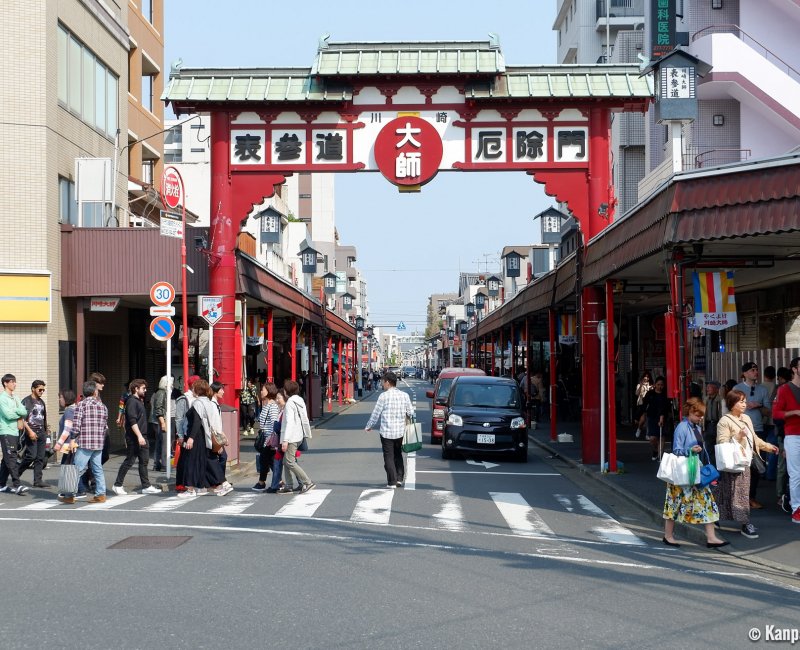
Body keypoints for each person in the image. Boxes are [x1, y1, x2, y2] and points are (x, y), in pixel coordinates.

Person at [662, 398, 728, 549]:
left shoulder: (694, 427)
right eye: (698, 415)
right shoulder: (682, 427)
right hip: (685, 469)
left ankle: (710, 537)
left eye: (701, 415)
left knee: (702, 501)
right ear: (690, 412)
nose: (700, 417)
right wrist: (690, 450)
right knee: (682, 502)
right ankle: (669, 535)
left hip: (693, 469)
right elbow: (676, 450)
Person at [715, 389, 778, 539]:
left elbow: (754, 438)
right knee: (737, 494)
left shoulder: (746, 418)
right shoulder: (725, 421)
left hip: (744, 462)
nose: (744, 404)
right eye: (741, 401)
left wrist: (768, 446)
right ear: (732, 403)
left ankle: (716, 516)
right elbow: (722, 442)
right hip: (732, 463)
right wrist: (738, 436)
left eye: (745, 401)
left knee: (733, 493)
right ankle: (744, 523)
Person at [59, 380, 108, 504]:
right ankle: (100, 494)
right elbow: (104, 426)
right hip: (98, 442)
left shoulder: (81, 405)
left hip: (85, 442)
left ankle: (69, 495)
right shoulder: (103, 406)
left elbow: (76, 425)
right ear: (95, 392)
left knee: (77, 468)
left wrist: (73, 439)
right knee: (97, 469)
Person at [365, 371, 414, 489]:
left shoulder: (383, 396)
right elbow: (411, 412)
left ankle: (392, 481)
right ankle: (399, 479)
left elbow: (376, 413)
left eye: (383, 382)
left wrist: (369, 425)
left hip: (386, 432)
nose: (382, 384)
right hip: (400, 432)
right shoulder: (404, 395)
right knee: (398, 454)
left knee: (388, 456)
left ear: (388, 382)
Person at [734, 362, 773, 509]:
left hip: (758, 430)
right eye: (752, 370)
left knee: (756, 466)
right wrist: (743, 406)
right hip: (740, 431)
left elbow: (769, 412)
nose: (755, 372)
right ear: (744, 373)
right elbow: (731, 409)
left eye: (756, 370)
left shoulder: (762, 390)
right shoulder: (737, 389)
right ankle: (740, 497)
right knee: (741, 465)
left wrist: (759, 406)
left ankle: (752, 498)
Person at [112, 379, 159, 495]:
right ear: (136, 389)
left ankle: (146, 486)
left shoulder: (138, 401)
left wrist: (141, 436)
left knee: (144, 461)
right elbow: (132, 421)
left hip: (142, 436)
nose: (145, 390)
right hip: (135, 437)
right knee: (130, 460)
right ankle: (117, 485)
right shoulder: (131, 401)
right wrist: (139, 436)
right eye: (143, 388)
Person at [771, 357, 800, 524]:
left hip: (793, 435)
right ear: (794, 369)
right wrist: (794, 412)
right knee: (795, 474)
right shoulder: (784, 389)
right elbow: (776, 414)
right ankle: (796, 509)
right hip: (793, 435)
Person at [177, 380, 212, 498]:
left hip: (194, 435)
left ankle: (190, 489)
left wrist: (190, 438)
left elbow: (196, 421)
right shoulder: (207, 401)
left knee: (190, 461)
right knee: (200, 461)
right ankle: (200, 487)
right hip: (202, 435)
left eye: (193, 388)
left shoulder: (197, 403)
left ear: (197, 390)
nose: (192, 390)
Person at [279, 380, 315, 494]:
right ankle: (289, 485)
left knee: (289, 461)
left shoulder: (290, 403)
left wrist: (285, 440)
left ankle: (307, 482)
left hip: (291, 437)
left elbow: (289, 422)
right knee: (286, 461)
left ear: (286, 391)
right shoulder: (300, 400)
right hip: (299, 434)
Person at [0, 374, 30, 495]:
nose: (14, 384)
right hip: (6, 431)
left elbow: (25, 411)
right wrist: (19, 413)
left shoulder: (16, 397)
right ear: (5, 383)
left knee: (6, 459)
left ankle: (1, 484)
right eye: (12, 382)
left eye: (15, 382)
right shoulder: (2, 398)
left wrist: (18, 411)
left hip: (15, 432)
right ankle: (17, 484)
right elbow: (8, 415)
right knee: (11, 458)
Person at [18, 379, 49, 488]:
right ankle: (16, 474)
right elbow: (21, 418)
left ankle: (38, 481)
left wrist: (45, 430)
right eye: (40, 389)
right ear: (33, 389)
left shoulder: (41, 402)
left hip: (41, 432)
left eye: (43, 390)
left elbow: (43, 417)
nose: (42, 392)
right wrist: (30, 431)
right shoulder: (26, 401)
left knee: (40, 457)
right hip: (30, 432)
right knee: (31, 455)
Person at [174, 375, 201, 492]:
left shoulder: (199, 397)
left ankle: (193, 481)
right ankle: (180, 482)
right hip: (186, 432)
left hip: (197, 432)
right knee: (184, 458)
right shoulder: (183, 398)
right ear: (193, 385)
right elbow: (179, 418)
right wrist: (180, 435)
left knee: (194, 458)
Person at [252, 382, 279, 492]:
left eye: (263, 389)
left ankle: (262, 482)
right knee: (269, 461)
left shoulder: (272, 406)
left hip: (269, 439)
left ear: (269, 391)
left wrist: (272, 440)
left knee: (264, 460)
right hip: (266, 439)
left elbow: (274, 423)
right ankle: (278, 482)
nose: (261, 391)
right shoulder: (266, 405)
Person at [773, 366, 793, 513]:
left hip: (786, 434)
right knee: (783, 466)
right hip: (786, 434)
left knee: (784, 467)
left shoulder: (782, 389)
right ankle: (782, 495)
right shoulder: (782, 390)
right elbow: (777, 417)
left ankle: (782, 495)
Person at [208, 382, 233, 496]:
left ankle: (219, 482)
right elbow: (213, 424)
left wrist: (224, 436)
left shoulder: (215, 404)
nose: (223, 392)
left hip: (217, 435)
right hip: (214, 437)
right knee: (220, 458)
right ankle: (221, 482)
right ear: (215, 391)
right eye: (221, 390)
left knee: (219, 458)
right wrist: (220, 438)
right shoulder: (212, 404)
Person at [54, 389, 78, 498]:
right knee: (70, 467)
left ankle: (67, 491)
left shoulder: (69, 411)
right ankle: (69, 490)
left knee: (67, 467)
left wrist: (58, 444)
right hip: (74, 444)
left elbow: (67, 430)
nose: (59, 400)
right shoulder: (75, 409)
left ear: (66, 399)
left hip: (69, 444)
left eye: (61, 397)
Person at [642, 376, 670, 460]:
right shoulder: (650, 394)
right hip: (652, 417)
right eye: (658, 384)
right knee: (652, 438)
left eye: (661, 385)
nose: (660, 386)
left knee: (662, 437)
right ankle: (655, 450)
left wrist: (662, 417)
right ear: (655, 384)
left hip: (663, 417)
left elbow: (666, 407)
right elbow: (645, 404)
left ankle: (660, 456)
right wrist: (643, 414)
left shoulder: (665, 395)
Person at [149, 375, 171, 473]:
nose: (172, 385)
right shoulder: (162, 392)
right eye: (171, 382)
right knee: (163, 443)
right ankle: (163, 464)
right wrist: (163, 422)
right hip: (159, 420)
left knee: (159, 442)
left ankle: (157, 464)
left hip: (156, 420)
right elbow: (159, 408)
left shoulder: (158, 392)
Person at [703, 381, 723, 465]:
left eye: (709, 387)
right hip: (708, 425)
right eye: (707, 387)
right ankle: (711, 465)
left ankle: (717, 465)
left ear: (716, 389)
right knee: (709, 447)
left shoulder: (720, 400)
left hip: (717, 425)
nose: (707, 389)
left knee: (718, 447)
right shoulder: (705, 399)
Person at [634, 371, 653, 438]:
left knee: (648, 419)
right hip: (642, 403)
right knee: (642, 419)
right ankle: (639, 428)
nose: (646, 378)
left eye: (648, 377)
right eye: (645, 376)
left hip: (649, 404)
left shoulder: (651, 386)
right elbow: (637, 393)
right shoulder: (639, 385)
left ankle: (647, 434)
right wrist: (641, 385)